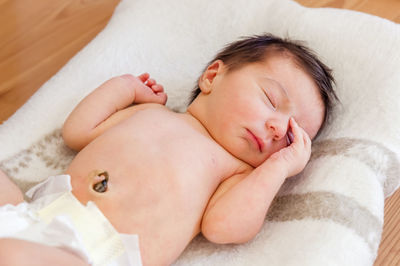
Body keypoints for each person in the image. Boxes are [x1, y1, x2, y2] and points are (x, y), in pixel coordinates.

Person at [0, 34, 338, 265]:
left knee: (11, 256)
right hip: (35, 214)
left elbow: (224, 227)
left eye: (292, 137)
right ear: (213, 76)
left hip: (93, 254)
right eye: (271, 100)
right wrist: (125, 86)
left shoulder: (234, 172)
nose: (278, 128)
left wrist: (277, 168)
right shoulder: (149, 113)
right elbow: (77, 132)